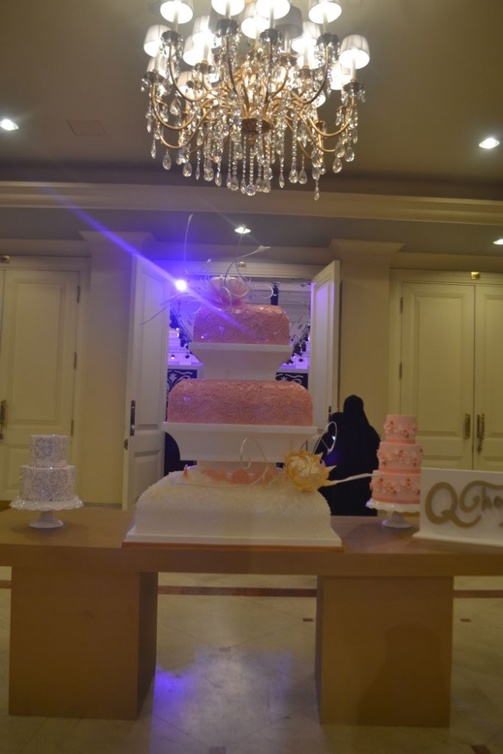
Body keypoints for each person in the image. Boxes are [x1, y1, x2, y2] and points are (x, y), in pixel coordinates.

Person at [319, 395, 380, 516]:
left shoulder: (342, 432)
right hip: (365, 483)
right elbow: (377, 456)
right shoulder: (371, 432)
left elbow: (335, 458)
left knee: (343, 518)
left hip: (344, 485)